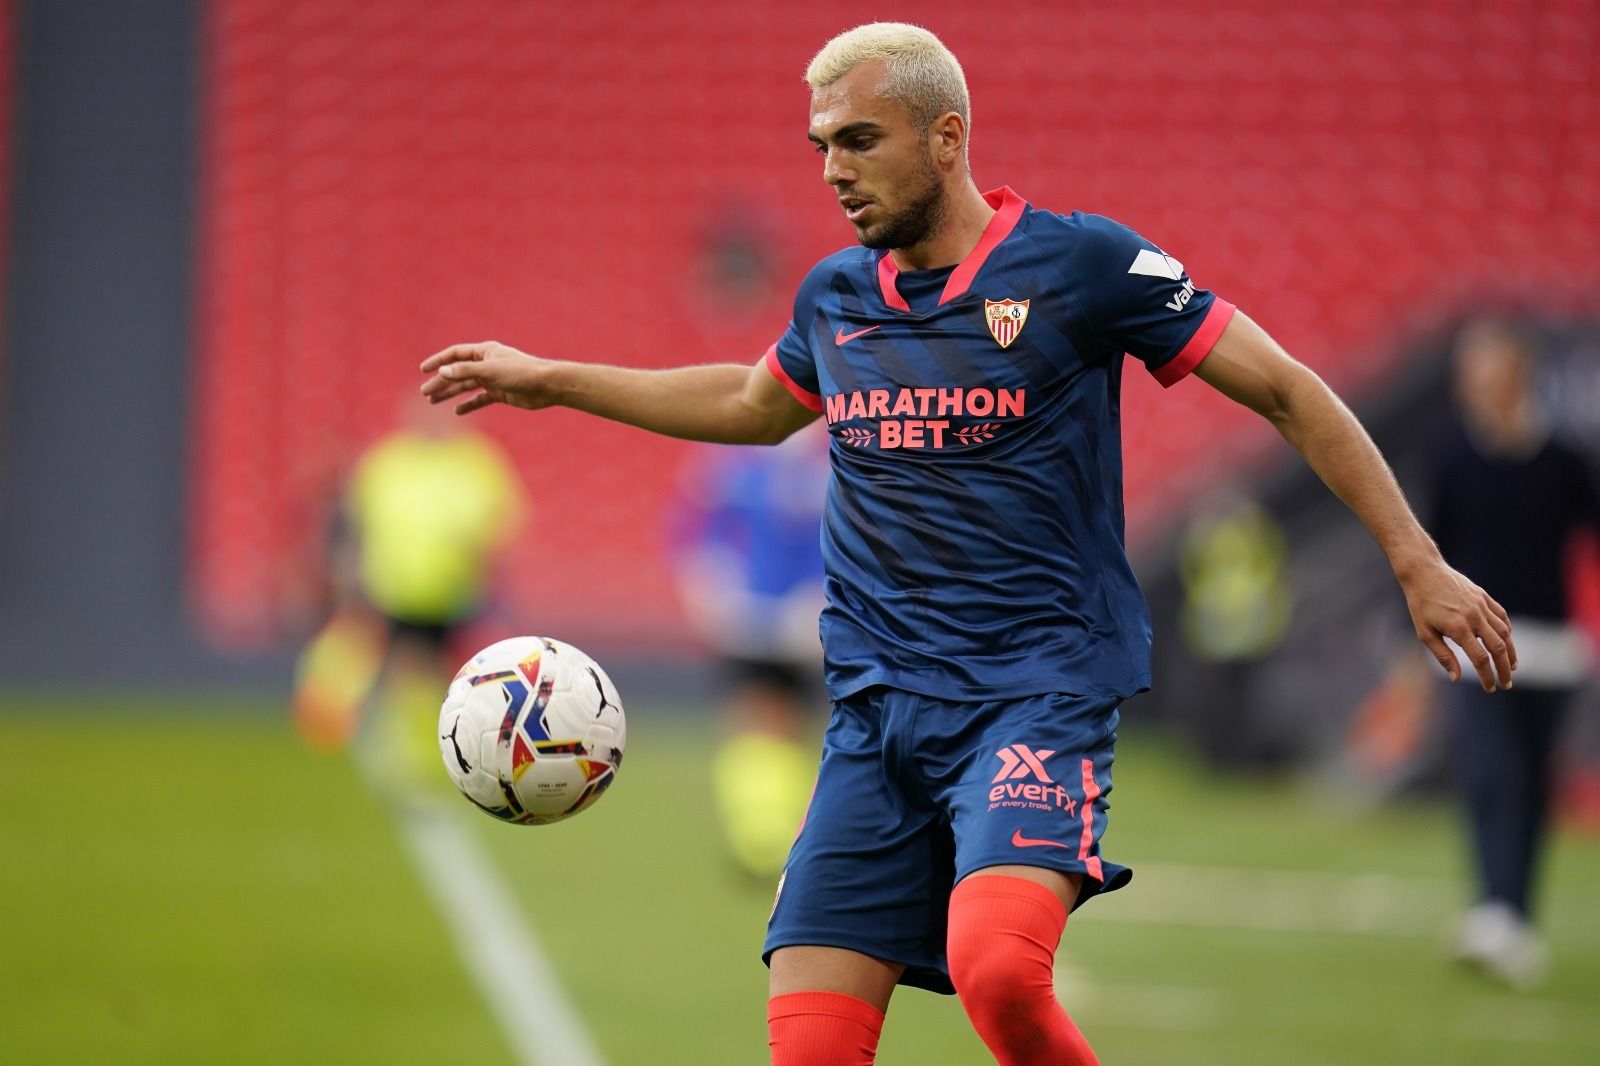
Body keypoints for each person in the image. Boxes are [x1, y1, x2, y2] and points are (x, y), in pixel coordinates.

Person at [420, 23, 1516, 1065]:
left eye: (860, 140)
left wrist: (1414, 559)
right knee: (808, 1044)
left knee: (996, 968)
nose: (834, 171)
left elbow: (1284, 388)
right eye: (821, 147)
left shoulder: (1083, 265)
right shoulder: (835, 296)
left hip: (1032, 698)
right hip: (875, 718)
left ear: (945, 138)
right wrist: (552, 380)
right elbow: (753, 405)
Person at [1429, 320, 1600, 987]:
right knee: (1487, 771)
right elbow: (1430, 549)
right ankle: (1494, 907)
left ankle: (1514, 915)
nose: (1474, 382)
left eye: (1487, 367)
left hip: (1550, 650)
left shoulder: (1564, 459)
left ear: (1518, 372)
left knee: (1531, 784)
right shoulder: (1450, 455)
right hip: (1476, 646)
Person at [294, 396, 526, 796]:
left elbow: (499, 525)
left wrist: (482, 570)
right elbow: (358, 519)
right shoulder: (387, 463)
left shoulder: (477, 464)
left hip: (453, 591)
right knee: (395, 662)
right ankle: (333, 719)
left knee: (441, 673)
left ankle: (442, 747)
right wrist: (353, 569)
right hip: (394, 587)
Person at [667, 432, 830, 881]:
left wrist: (825, 599)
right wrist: (711, 590)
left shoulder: (832, 458)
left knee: (781, 724)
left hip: (803, 621)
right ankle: (765, 832)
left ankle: (769, 831)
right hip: (753, 616)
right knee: (758, 719)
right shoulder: (732, 459)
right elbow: (695, 530)